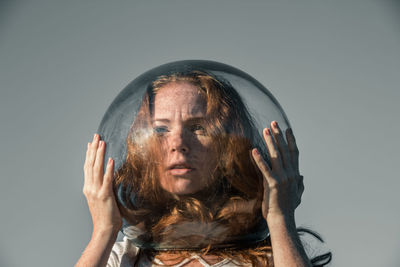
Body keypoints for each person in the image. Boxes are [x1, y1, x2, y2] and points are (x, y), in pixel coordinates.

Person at [76, 71, 331, 267]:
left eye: (198, 127)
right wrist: (103, 230)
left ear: (229, 145)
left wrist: (279, 219)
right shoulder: (125, 258)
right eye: (161, 130)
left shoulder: (269, 257)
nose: (178, 143)